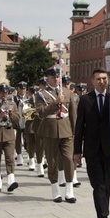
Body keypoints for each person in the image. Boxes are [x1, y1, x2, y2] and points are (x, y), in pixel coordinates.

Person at [74, 68, 110, 218]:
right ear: (92, 81)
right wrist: (77, 151)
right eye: (98, 79)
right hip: (91, 150)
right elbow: (79, 127)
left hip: (109, 149)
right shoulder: (85, 100)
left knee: (107, 184)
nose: (102, 81)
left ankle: (102, 215)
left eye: (104, 78)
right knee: (98, 184)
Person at [36, 67, 77, 203]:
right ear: (47, 78)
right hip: (50, 130)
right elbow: (41, 113)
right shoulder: (41, 94)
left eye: (58, 76)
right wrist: (55, 103)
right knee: (52, 161)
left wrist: (75, 131)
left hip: (66, 129)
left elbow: (73, 114)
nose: (56, 79)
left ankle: (69, 190)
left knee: (68, 159)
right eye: (53, 77)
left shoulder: (67, 92)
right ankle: (55, 189)